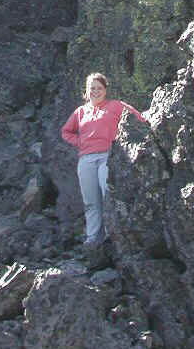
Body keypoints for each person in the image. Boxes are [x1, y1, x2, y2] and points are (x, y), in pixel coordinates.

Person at [61, 72, 149, 249]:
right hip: (86, 159)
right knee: (90, 201)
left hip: (108, 156)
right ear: (87, 91)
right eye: (92, 88)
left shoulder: (116, 106)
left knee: (107, 195)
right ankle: (93, 237)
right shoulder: (80, 112)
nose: (96, 91)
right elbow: (66, 132)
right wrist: (80, 142)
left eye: (99, 88)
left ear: (105, 90)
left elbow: (138, 118)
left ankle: (112, 235)